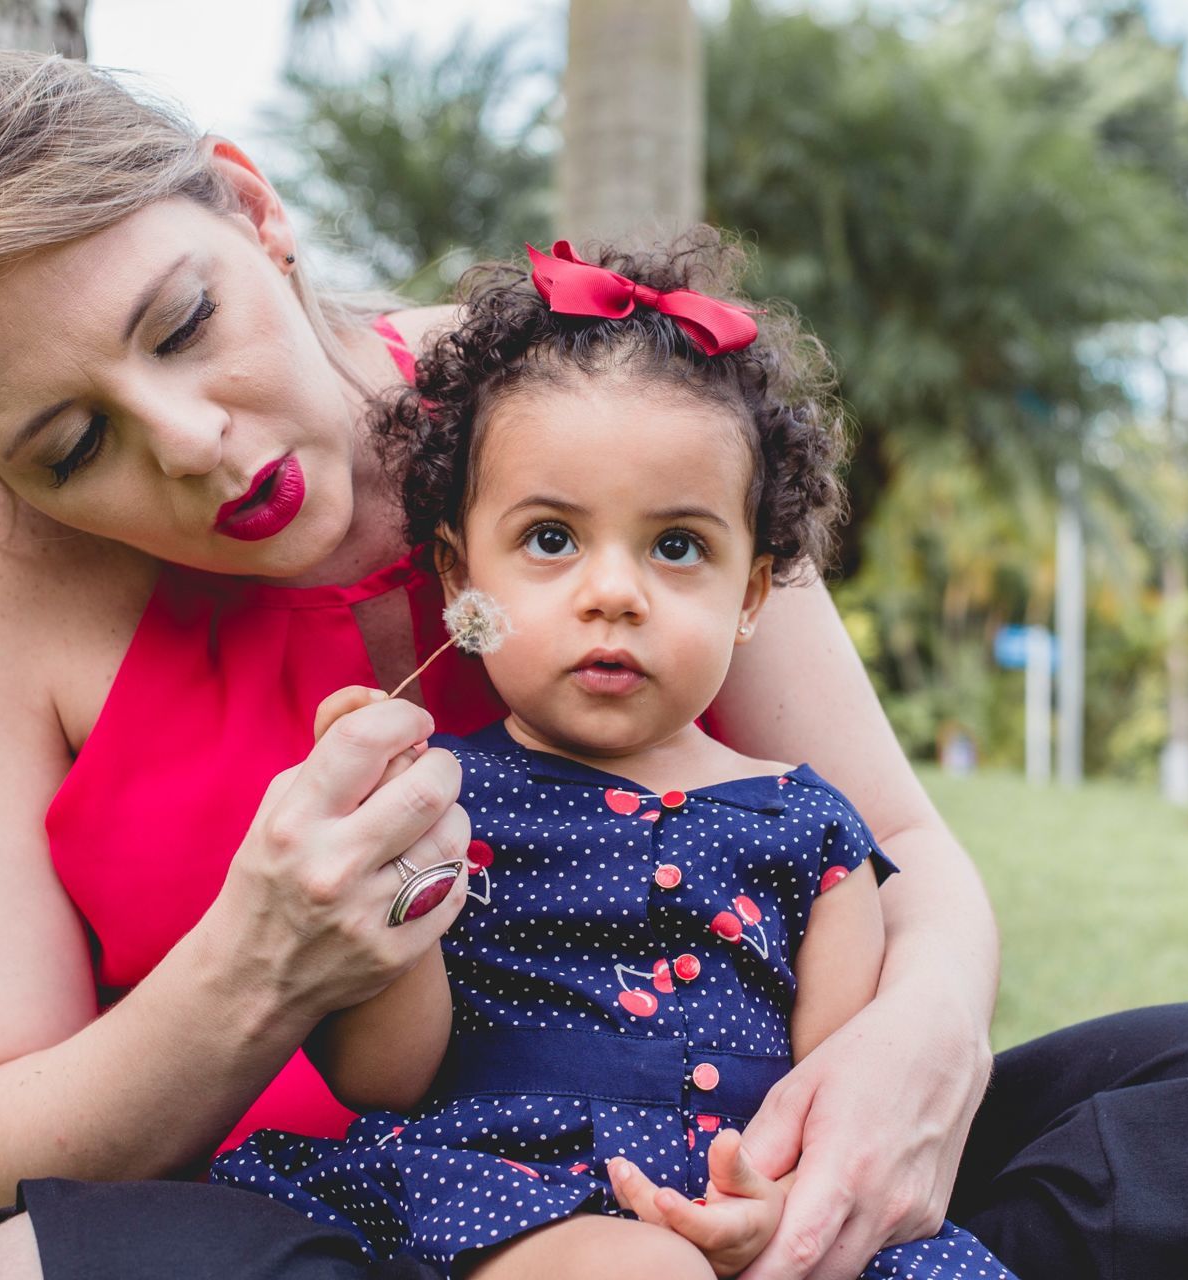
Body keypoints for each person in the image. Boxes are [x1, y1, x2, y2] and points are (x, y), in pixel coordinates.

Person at [0, 47, 1188, 1280]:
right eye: (67, 441)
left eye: (181, 323)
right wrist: (260, 965)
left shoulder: (590, 399)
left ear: (251, 210)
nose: (186, 444)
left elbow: (902, 853)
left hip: (740, 1181)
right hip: (339, 1232)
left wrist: (911, 1061)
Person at [210, 237, 1015, 1280]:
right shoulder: (448, 793)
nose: (613, 591)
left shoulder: (810, 828)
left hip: (747, 1189)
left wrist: (767, 1205)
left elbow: (841, 1088)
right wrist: (392, 846)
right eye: (551, 539)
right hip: (509, 1190)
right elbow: (386, 1075)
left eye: (677, 546)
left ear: (754, 596)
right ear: (463, 575)